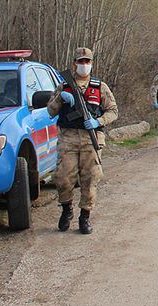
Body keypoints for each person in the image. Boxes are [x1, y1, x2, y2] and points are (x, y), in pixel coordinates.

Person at [47, 47, 118, 234]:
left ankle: (85, 216)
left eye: (87, 62)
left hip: (91, 138)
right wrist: (60, 98)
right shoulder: (64, 85)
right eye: (81, 61)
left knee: (91, 178)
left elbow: (113, 111)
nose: (84, 65)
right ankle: (66, 209)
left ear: (92, 64)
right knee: (63, 177)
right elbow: (50, 111)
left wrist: (98, 121)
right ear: (74, 63)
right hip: (68, 137)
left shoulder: (99, 87)